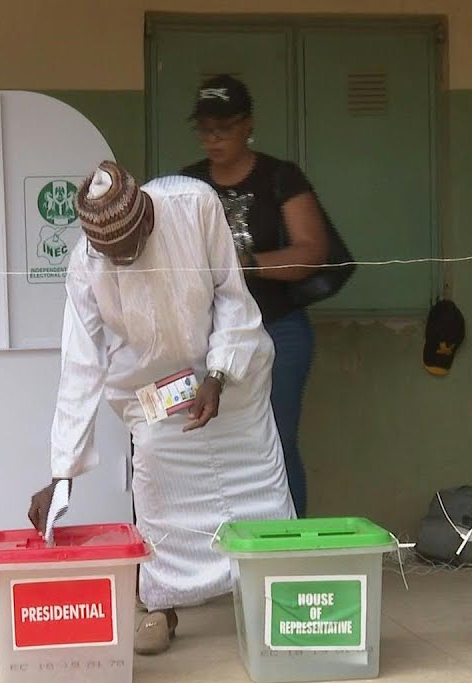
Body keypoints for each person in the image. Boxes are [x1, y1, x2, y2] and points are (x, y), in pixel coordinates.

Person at [28, 160, 295, 655]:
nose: (121, 262)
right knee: (155, 480)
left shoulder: (193, 204)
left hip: (229, 373)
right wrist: (62, 471)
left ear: (147, 217)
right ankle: (160, 607)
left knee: (257, 484)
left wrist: (216, 374)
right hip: (157, 389)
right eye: (111, 255)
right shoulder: (87, 264)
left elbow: (232, 296)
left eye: (128, 251)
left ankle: (272, 602)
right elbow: (81, 366)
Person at [180, 74, 329, 519]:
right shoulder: (186, 183)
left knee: (277, 441)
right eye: (205, 129)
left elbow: (311, 253)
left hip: (277, 328)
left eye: (223, 128)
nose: (213, 139)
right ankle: (222, 555)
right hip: (207, 336)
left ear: (247, 125)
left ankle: (289, 550)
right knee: (209, 445)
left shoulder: (279, 177)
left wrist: (242, 265)